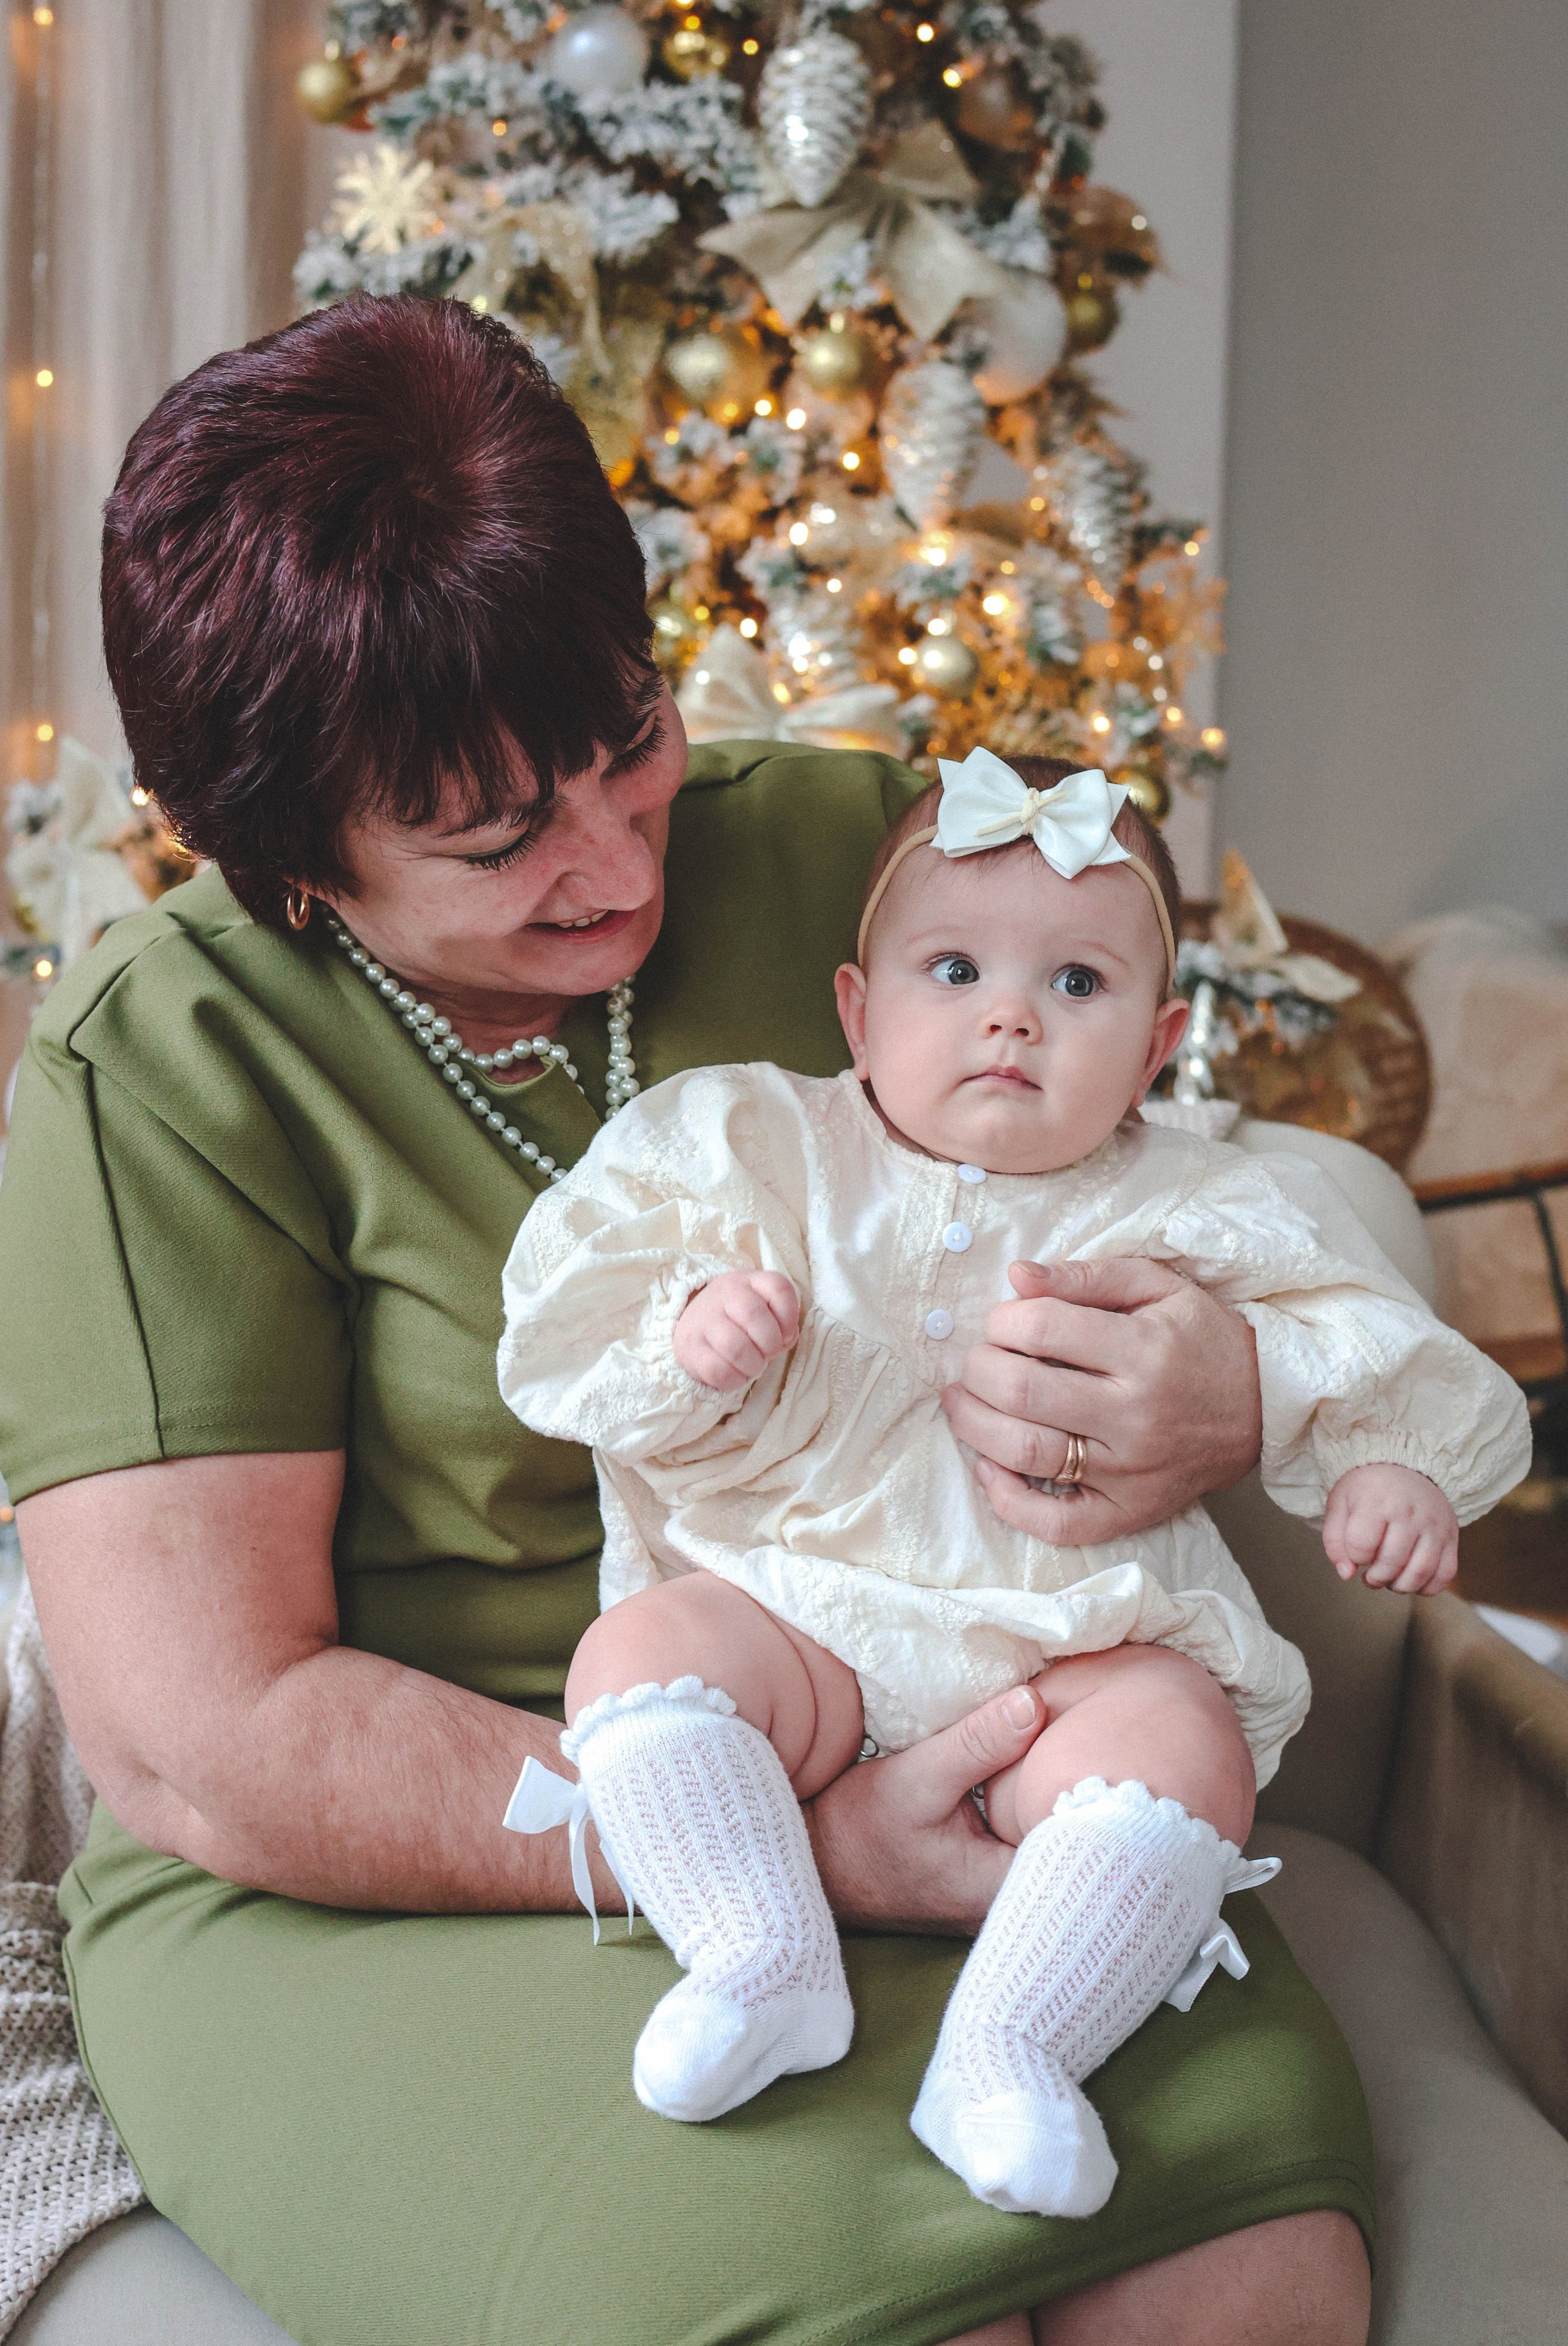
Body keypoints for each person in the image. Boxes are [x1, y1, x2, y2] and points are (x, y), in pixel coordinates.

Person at [0, 294, 1378, 2346]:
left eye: (626, 740)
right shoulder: (166, 1072)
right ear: (298, 870)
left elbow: (1195, 1199)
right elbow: (208, 1746)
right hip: (444, 1870)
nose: (613, 854)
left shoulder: (873, 865)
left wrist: (1222, 1390)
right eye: (496, 838)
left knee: (1253, 2277)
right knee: (828, 2305)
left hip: (983, 1762)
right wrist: (777, 1849)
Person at [496, 752, 1526, 2247]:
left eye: (1077, 986)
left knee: (1177, 1739)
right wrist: (690, 1325)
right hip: (799, 1608)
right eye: (956, 968)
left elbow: (1341, 1328)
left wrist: (1379, 1458)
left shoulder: (1185, 1197)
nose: (1008, 1016)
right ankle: (754, 1957)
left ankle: (1013, 2049)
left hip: (1070, 1641)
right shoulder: (757, 1140)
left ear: (1159, 1046)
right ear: (857, 1009)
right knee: (640, 1655)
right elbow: (568, 1306)